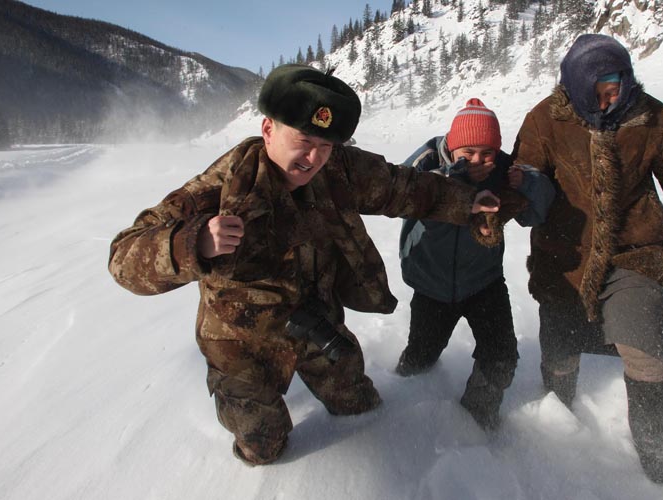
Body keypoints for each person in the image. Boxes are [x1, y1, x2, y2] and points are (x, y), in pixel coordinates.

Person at [108, 64, 501, 466]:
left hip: (316, 324)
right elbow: (123, 257)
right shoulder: (223, 186)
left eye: (327, 145)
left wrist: (464, 202)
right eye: (304, 139)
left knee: (360, 406)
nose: (313, 158)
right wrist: (192, 242)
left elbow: (403, 187)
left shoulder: (338, 170)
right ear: (268, 130)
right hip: (242, 344)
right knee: (265, 449)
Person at [511, 34, 663, 484]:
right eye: (600, 88)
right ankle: (557, 407)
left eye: (618, 84)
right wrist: (521, 192)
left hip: (636, 251)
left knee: (642, 343)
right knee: (561, 340)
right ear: (575, 86)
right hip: (565, 252)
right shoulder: (544, 120)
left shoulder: (654, 116)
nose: (612, 96)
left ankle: (651, 438)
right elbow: (524, 172)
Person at [395, 98, 554, 430]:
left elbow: (538, 211)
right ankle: (404, 400)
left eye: (487, 153)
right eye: (468, 153)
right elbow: (402, 196)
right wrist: (457, 176)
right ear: (452, 147)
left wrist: (526, 184)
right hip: (430, 283)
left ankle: (476, 420)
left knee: (501, 355)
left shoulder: (504, 170)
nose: (479, 161)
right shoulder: (428, 160)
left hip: (484, 282)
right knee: (421, 356)